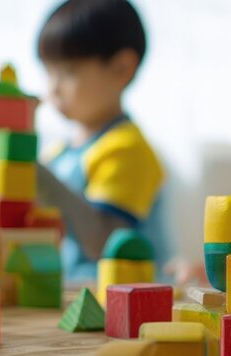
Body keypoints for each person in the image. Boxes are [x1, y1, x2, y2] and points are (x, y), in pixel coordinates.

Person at [35, 0, 165, 280]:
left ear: (121, 68)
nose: (53, 88)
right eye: (49, 73)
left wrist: (35, 175)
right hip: (68, 297)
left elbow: (103, 241)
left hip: (123, 301)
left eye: (68, 72)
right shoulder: (57, 153)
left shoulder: (128, 149)